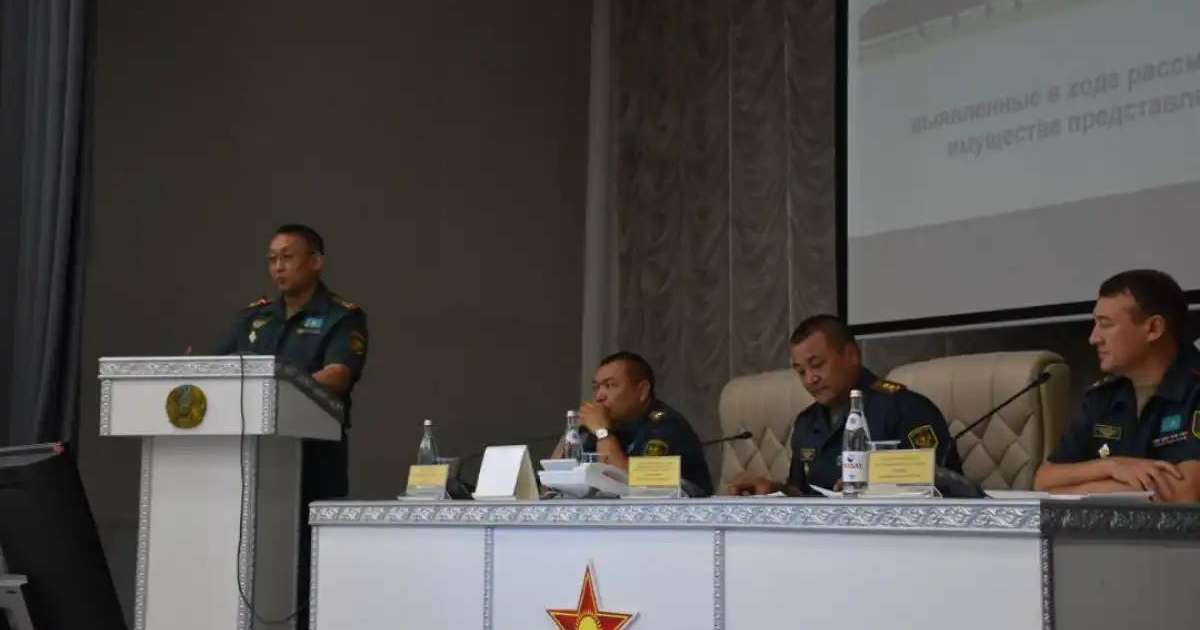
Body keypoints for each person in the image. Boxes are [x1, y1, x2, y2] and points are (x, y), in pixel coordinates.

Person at [214, 223, 368, 626]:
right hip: (252, 460)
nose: (278, 267)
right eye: (272, 259)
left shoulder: (342, 316)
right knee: (253, 553)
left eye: (287, 257)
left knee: (306, 558)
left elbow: (339, 373)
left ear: (315, 262)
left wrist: (284, 388)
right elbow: (219, 370)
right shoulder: (253, 317)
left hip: (313, 454)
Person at [729, 315, 961, 495]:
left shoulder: (906, 409)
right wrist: (772, 490)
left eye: (817, 365)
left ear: (851, 355)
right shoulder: (806, 423)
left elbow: (946, 486)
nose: (810, 379)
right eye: (800, 371)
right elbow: (802, 495)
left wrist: (881, 487)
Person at [1034, 270, 1200, 502]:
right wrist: (1112, 466)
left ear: (1153, 329)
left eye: (1106, 324)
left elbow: (1185, 493)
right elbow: (1044, 481)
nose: (1094, 338)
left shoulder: (1195, 390)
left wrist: (1077, 491)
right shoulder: (1103, 397)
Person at [572, 351, 714, 496]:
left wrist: (602, 432)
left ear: (642, 391)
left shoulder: (666, 426)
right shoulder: (605, 424)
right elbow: (554, 485)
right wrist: (572, 429)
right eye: (597, 387)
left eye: (610, 385)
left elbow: (633, 486)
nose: (599, 396)